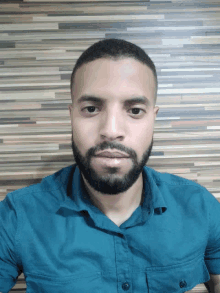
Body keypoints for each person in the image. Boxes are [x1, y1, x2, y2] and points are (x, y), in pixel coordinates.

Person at [0, 38, 220, 293]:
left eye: (135, 110)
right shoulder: (17, 216)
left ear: (153, 118)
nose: (111, 131)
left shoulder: (200, 206)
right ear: (71, 115)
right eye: (91, 108)